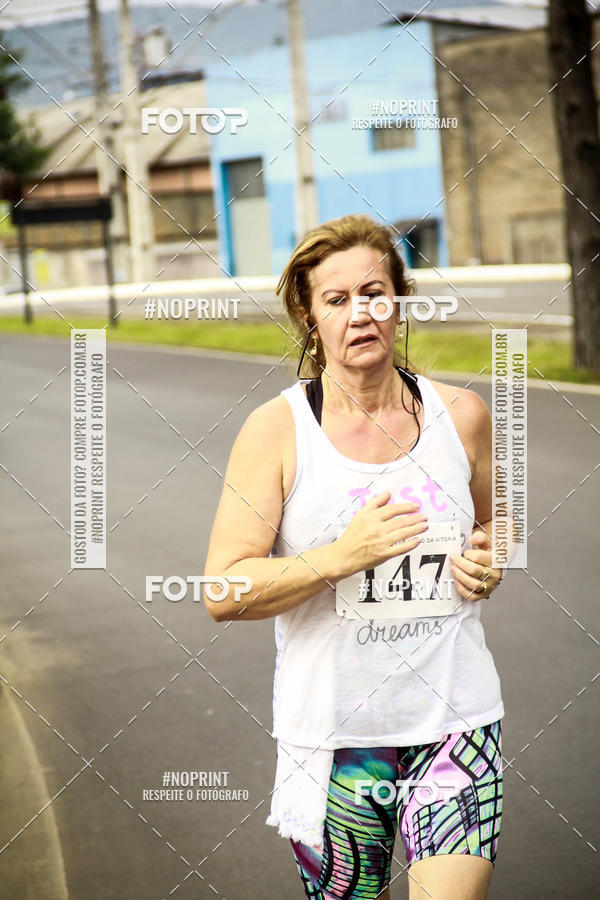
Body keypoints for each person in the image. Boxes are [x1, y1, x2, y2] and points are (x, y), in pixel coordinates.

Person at [204, 214, 506, 899]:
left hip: (454, 721)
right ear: (310, 319)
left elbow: (499, 529)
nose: (359, 313)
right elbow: (223, 591)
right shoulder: (278, 431)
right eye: (335, 300)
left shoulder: (463, 416)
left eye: (374, 292)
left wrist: (489, 563)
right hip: (336, 737)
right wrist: (342, 555)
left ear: (400, 300)